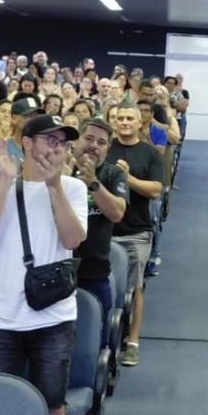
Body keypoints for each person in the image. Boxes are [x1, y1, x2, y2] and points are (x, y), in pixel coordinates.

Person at [0, 114, 87, 415]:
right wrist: (5, 180)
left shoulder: (74, 188)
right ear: (27, 144)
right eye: (49, 139)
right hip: (0, 317)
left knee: (52, 409)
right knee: (0, 406)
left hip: (53, 317)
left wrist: (54, 186)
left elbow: (72, 238)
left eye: (62, 142)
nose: (57, 147)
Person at [104, 103, 164, 367]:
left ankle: (133, 342)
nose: (124, 122)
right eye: (120, 118)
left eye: (130, 118)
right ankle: (105, 338)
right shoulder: (105, 148)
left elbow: (154, 190)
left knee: (134, 288)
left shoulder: (150, 153)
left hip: (136, 232)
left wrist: (126, 178)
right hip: (103, 230)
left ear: (140, 122)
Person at [71, 118, 128, 353]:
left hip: (94, 274)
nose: (94, 145)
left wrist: (93, 182)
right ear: (76, 141)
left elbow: (116, 213)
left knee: (96, 345)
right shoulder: (58, 171)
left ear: (108, 148)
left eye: (101, 142)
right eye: (89, 138)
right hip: (53, 274)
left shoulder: (114, 174)